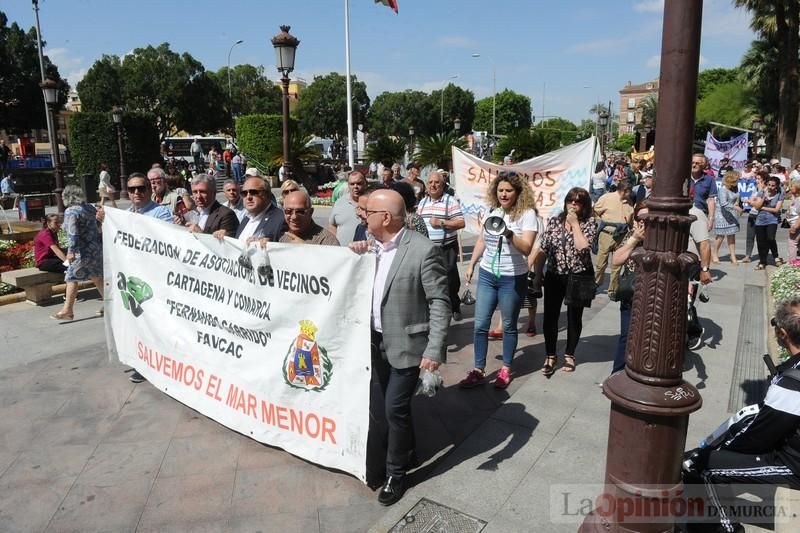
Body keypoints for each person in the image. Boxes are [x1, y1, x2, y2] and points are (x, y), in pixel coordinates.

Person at [348, 189, 450, 505]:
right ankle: (407, 449)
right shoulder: (370, 247)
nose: (363, 216)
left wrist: (434, 350)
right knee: (396, 408)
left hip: (409, 345)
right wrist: (356, 254)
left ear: (386, 218)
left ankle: (396, 473)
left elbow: (439, 301)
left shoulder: (422, 251)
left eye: (369, 213)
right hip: (377, 342)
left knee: (393, 407)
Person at [683, 297, 800, 533]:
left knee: (700, 466)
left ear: (783, 333)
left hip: (792, 463)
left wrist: (715, 451)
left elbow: (757, 437)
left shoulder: (792, 383)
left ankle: (724, 530)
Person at [459, 174, 538, 389]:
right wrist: (472, 263)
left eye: (509, 190)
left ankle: (505, 369)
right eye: (500, 190)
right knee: (480, 325)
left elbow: (527, 248)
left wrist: (509, 234)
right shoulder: (492, 211)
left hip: (512, 277)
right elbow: (483, 239)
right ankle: (478, 369)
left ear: (518, 192)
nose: (503, 194)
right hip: (487, 274)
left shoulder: (528, 214)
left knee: (510, 325)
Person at [534, 187, 598, 376]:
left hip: (578, 275)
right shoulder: (555, 221)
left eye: (577, 202)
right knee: (550, 318)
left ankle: (570, 354)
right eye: (570, 200)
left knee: (573, 317)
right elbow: (544, 248)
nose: (573, 204)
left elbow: (583, 247)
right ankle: (550, 355)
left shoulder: (590, 223)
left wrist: (575, 224)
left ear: (584, 205)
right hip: (555, 274)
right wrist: (538, 274)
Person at [51, 185, 105, 321]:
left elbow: (73, 233)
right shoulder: (89, 208)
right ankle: (111, 305)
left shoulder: (71, 211)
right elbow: (98, 225)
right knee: (97, 277)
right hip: (95, 249)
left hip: (82, 252)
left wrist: (71, 251)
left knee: (71, 278)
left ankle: (67, 310)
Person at [417, 171, 465, 320]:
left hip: (445, 247)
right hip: (425, 249)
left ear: (442, 185)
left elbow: (461, 222)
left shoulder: (450, 201)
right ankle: (436, 307)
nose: (433, 185)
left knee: (450, 278)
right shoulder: (423, 202)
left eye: (436, 182)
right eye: (430, 182)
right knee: (429, 279)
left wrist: (442, 223)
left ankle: (454, 305)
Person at [610, 201, 648, 373]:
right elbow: (617, 260)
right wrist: (634, 240)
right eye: (640, 218)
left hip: (652, 294)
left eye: (648, 218)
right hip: (631, 293)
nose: (643, 222)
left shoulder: (662, 236)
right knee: (626, 335)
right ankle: (617, 372)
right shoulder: (631, 236)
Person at [593, 181, 634, 300]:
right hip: (607, 234)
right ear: (624, 190)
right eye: (629, 191)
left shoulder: (629, 203)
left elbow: (631, 219)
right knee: (601, 262)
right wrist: (604, 221)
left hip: (621, 236)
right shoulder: (606, 198)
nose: (630, 193)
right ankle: (596, 282)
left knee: (617, 264)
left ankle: (613, 289)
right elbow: (595, 210)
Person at [218, 175, 287, 243]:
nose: (248, 197)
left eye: (253, 192)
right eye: (244, 193)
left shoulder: (281, 220)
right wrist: (227, 236)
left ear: (267, 194)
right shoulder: (246, 219)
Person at [689, 154, 716, 285]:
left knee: (702, 243)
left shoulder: (709, 180)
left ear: (704, 166)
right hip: (684, 211)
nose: (694, 165)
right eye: (693, 162)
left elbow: (711, 200)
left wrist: (711, 218)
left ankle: (701, 269)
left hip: (700, 212)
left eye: (698, 163)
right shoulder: (683, 176)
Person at [750, 175, 784, 269]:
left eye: (773, 185)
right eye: (769, 185)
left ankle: (776, 256)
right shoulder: (762, 193)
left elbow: (776, 210)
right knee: (760, 242)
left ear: (777, 186)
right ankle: (762, 262)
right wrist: (764, 196)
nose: (770, 187)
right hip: (760, 220)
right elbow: (757, 207)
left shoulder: (779, 194)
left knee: (770, 238)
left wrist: (763, 208)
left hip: (772, 220)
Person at [712, 170, 743, 265]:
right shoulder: (723, 189)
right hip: (722, 215)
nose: (738, 181)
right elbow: (723, 203)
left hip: (732, 215)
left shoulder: (735, 188)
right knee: (720, 236)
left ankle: (733, 256)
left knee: (732, 235)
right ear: (731, 180)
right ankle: (715, 255)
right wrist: (736, 207)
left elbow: (737, 199)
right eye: (737, 179)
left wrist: (741, 203)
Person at [328, 171, 366, 247]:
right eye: (352, 184)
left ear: (365, 184)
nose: (355, 186)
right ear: (348, 185)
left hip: (367, 254)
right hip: (343, 254)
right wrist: (335, 244)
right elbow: (332, 225)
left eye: (359, 183)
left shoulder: (374, 203)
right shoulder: (339, 202)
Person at [741, 170, 763, 263]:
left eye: (759, 179)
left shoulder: (765, 191)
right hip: (752, 214)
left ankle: (763, 257)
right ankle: (748, 256)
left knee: (761, 238)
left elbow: (758, 204)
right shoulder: (755, 188)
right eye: (756, 178)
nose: (756, 181)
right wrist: (751, 202)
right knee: (750, 236)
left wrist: (752, 201)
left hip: (761, 215)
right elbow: (751, 202)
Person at [786, 181, 800, 262]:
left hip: (796, 225)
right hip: (793, 224)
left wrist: (795, 226)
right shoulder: (795, 198)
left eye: (792, 186)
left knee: (792, 243)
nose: (790, 188)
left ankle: (792, 264)